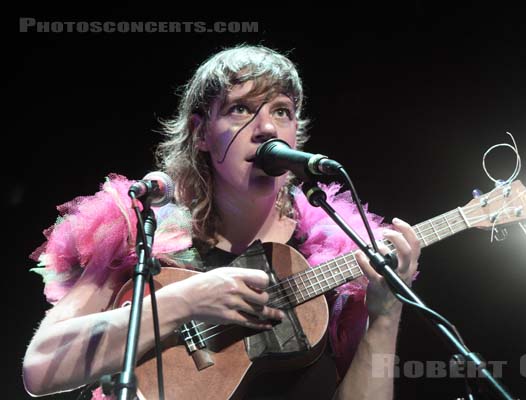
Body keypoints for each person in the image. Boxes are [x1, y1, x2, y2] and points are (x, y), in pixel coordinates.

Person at [22, 45, 420, 399]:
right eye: (241, 109)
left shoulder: (330, 249)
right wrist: (184, 302)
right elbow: (41, 367)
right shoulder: (143, 232)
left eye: (282, 111)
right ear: (200, 133)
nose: (266, 128)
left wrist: (385, 315)